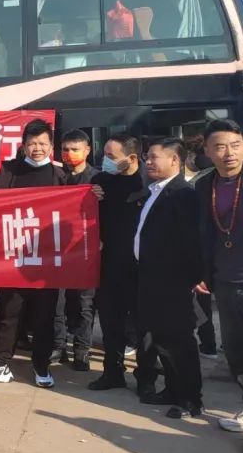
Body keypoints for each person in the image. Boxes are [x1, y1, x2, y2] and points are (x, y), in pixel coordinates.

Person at [0, 119, 66, 387]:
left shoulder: (61, 177)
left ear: (51, 146)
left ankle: (41, 366)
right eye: (32, 143)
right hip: (13, 258)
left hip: (46, 260)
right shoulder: (8, 171)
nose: (38, 148)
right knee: (8, 314)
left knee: (44, 316)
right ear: (23, 145)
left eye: (43, 143)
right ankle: (1, 365)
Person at [195, 119, 243, 453]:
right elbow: (201, 233)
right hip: (224, 282)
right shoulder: (203, 185)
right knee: (236, 354)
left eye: (236, 145)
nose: (229, 153)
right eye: (221, 147)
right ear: (207, 151)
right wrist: (201, 271)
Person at [134, 139, 203, 418]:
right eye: (147, 157)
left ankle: (190, 399)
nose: (148, 162)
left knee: (179, 341)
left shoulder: (182, 194)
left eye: (154, 157)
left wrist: (191, 278)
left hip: (172, 281)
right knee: (162, 339)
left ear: (175, 160)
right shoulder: (156, 190)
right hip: (152, 277)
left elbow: (191, 241)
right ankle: (173, 389)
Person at [88, 134, 146, 393]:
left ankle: (146, 377)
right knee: (111, 322)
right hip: (110, 263)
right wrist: (91, 198)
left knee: (144, 325)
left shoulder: (147, 183)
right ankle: (112, 372)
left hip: (142, 267)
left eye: (111, 156)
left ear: (131, 158)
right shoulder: (101, 182)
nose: (106, 161)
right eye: (105, 155)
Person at [54, 129, 99, 370]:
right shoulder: (56, 177)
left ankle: (81, 351)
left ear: (87, 150)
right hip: (57, 249)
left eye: (75, 149)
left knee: (84, 304)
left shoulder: (98, 179)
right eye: (65, 149)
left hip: (86, 251)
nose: (69, 154)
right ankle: (59, 345)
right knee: (57, 301)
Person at [182, 136, 219, 358]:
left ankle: (207, 343)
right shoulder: (196, 178)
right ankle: (208, 343)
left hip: (198, 248)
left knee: (200, 298)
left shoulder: (205, 180)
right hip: (194, 248)